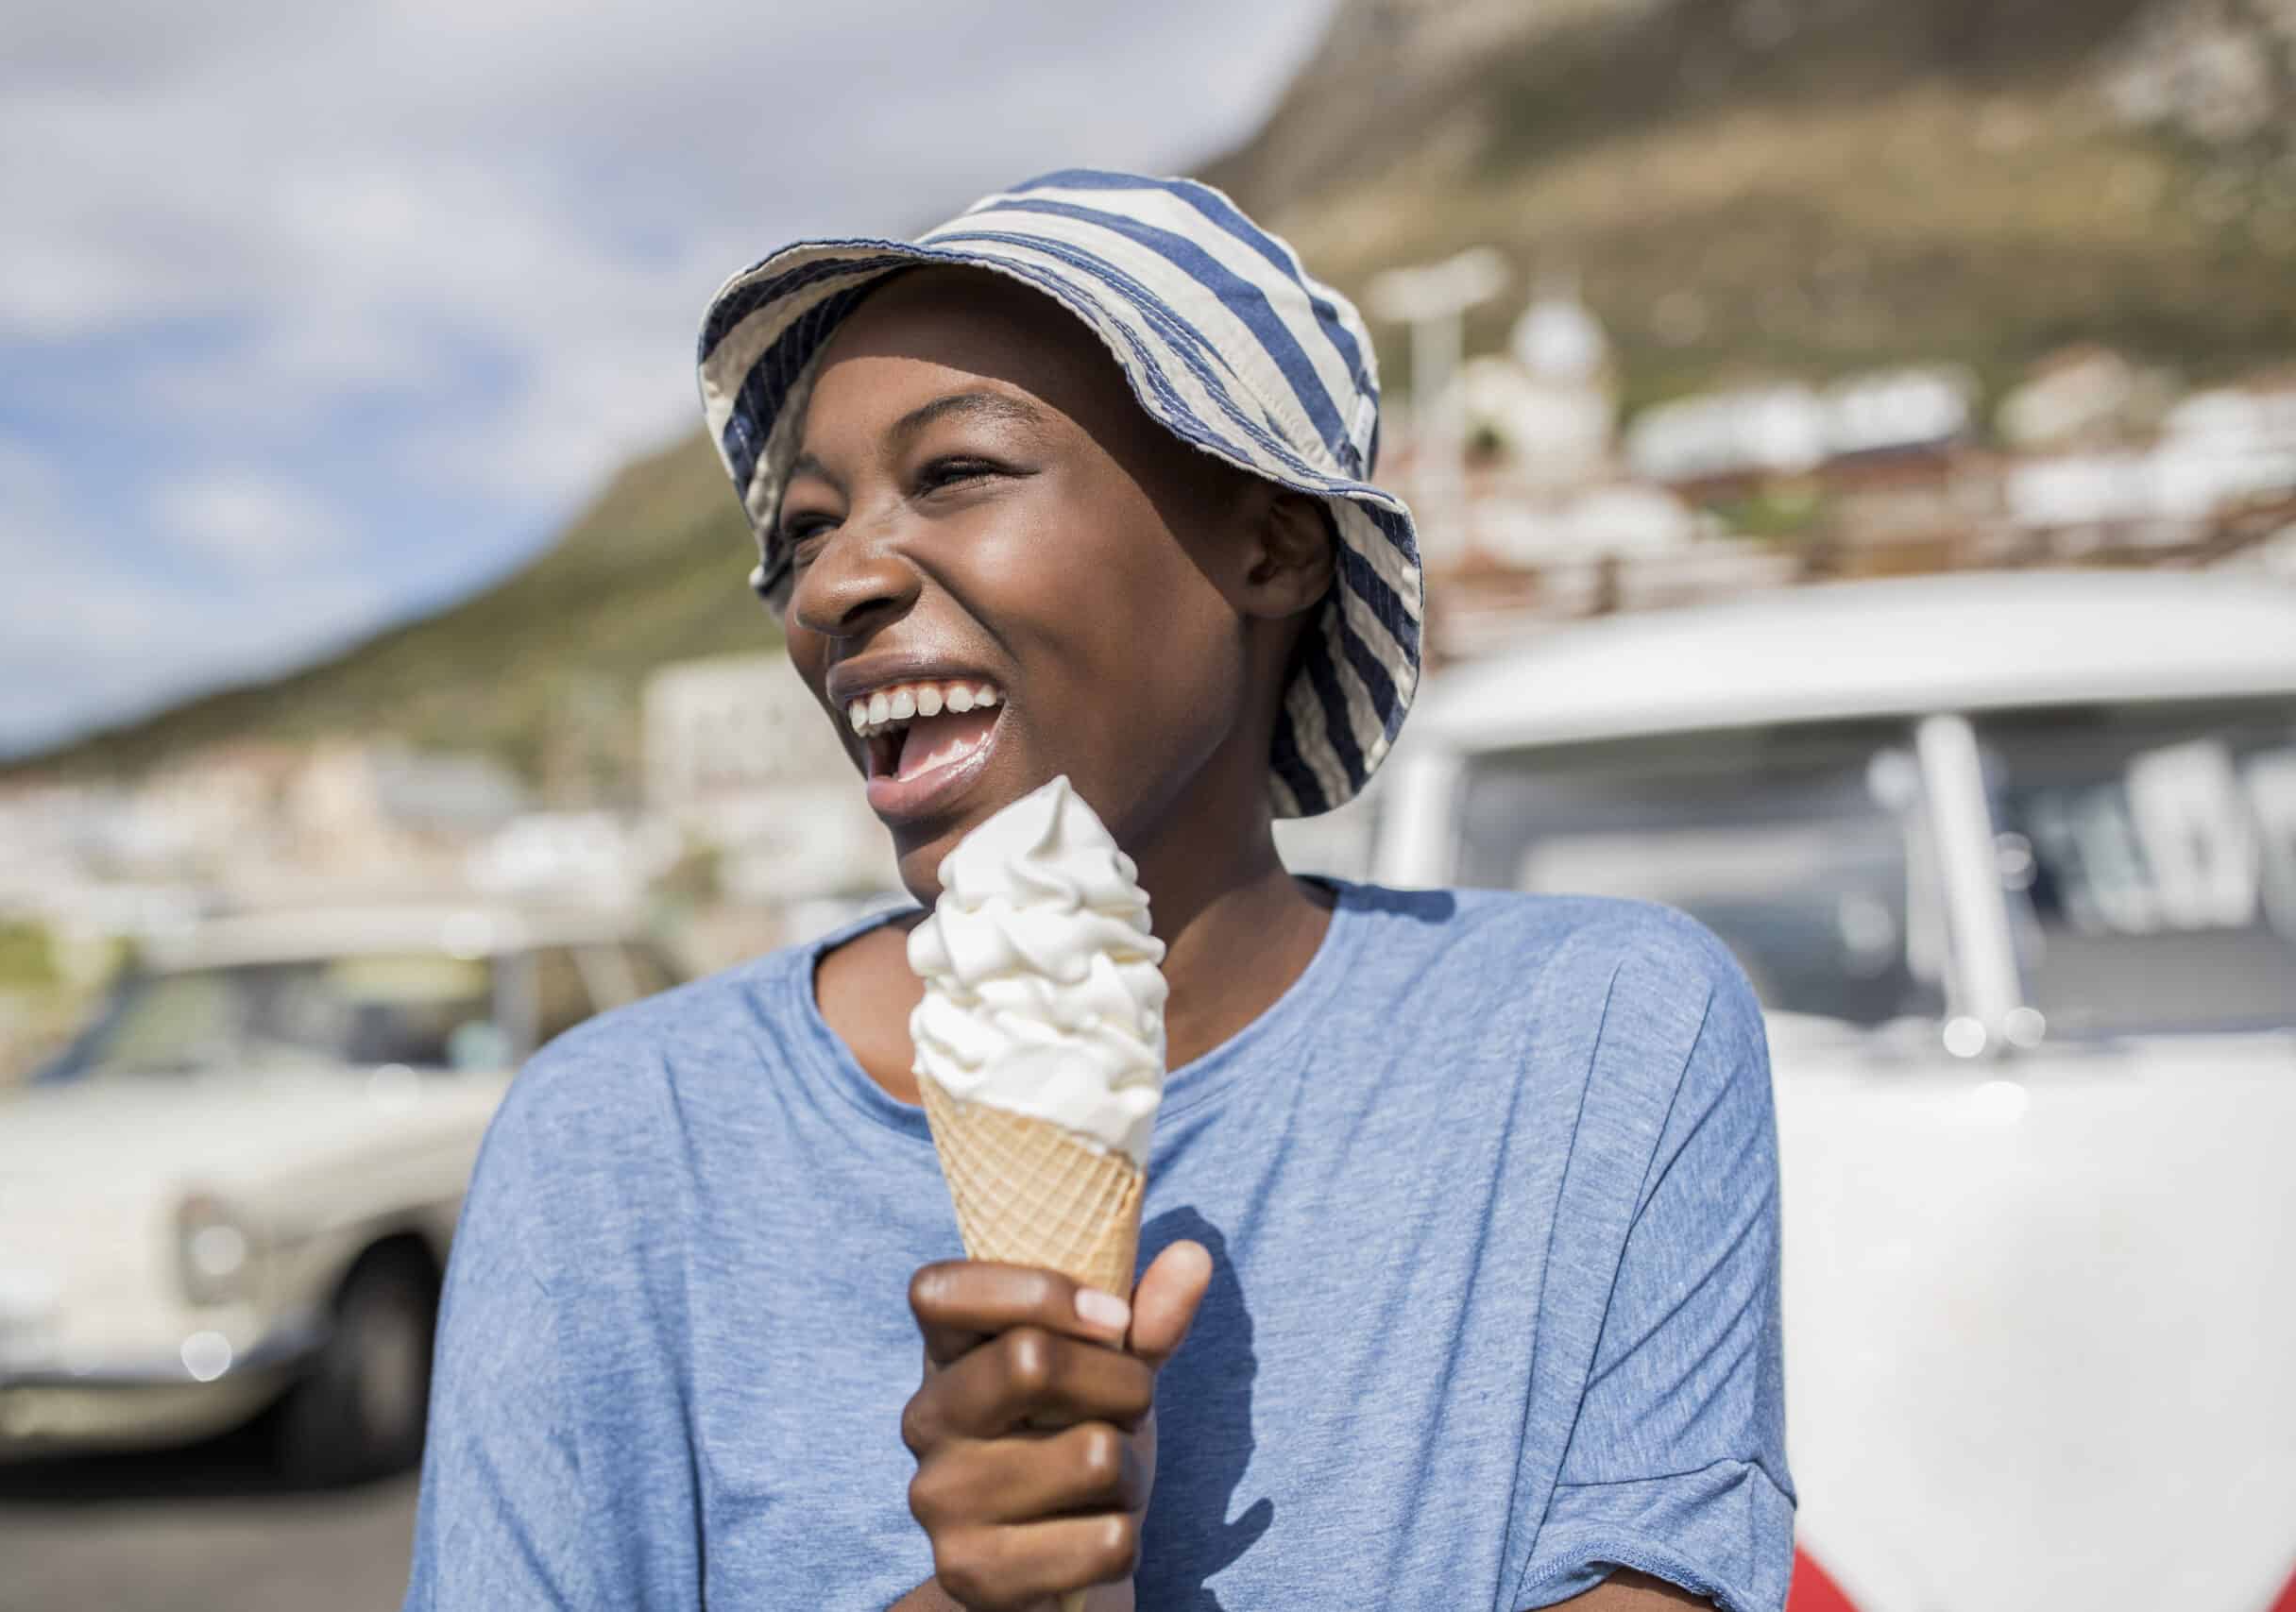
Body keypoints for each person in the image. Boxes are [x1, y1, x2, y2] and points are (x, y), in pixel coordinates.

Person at [403, 171, 1793, 1612]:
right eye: (808, 528)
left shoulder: (1599, 1038)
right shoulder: (616, 1142)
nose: (829, 589)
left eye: (954, 474)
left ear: (1273, 541)